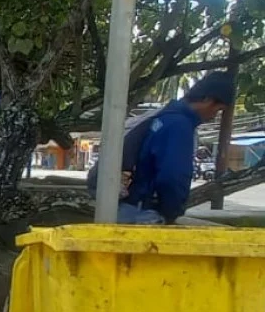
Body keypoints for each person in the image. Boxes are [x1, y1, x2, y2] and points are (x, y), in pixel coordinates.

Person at [90, 71, 235, 224]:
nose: (214, 116)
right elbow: (172, 176)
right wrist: (171, 212)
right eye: (218, 110)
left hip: (128, 206)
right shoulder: (179, 125)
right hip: (143, 212)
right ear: (207, 99)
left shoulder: (165, 116)